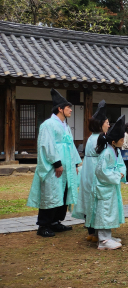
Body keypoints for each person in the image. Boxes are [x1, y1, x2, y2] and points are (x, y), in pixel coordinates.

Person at [27, 89, 82, 238]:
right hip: (53, 167)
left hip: (67, 166)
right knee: (51, 193)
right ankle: (43, 225)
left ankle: (55, 221)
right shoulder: (48, 125)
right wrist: (57, 163)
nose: (71, 110)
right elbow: (47, 145)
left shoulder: (65, 126)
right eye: (68, 107)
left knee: (62, 194)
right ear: (60, 109)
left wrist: (75, 164)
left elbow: (70, 145)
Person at [73, 100, 108, 242]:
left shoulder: (90, 138)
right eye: (107, 122)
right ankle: (97, 231)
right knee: (96, 197)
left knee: (88, 196)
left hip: (88, 169)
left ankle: (91, 230)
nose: (108, 125)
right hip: (95, 169)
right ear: (101, 124)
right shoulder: (100, 138)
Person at [93, 115, 127, 250]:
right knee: (104, 211)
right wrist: (117, 175)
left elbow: (120, 165)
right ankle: (103, 240)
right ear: (113, 141)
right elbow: (101, 171)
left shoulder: (114, 151)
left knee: (110, 210)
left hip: (110, 186)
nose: (123, 142)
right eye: (122, 139)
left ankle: (108, 236)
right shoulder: (106, 153)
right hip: (105, 186)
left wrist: (120, 173)